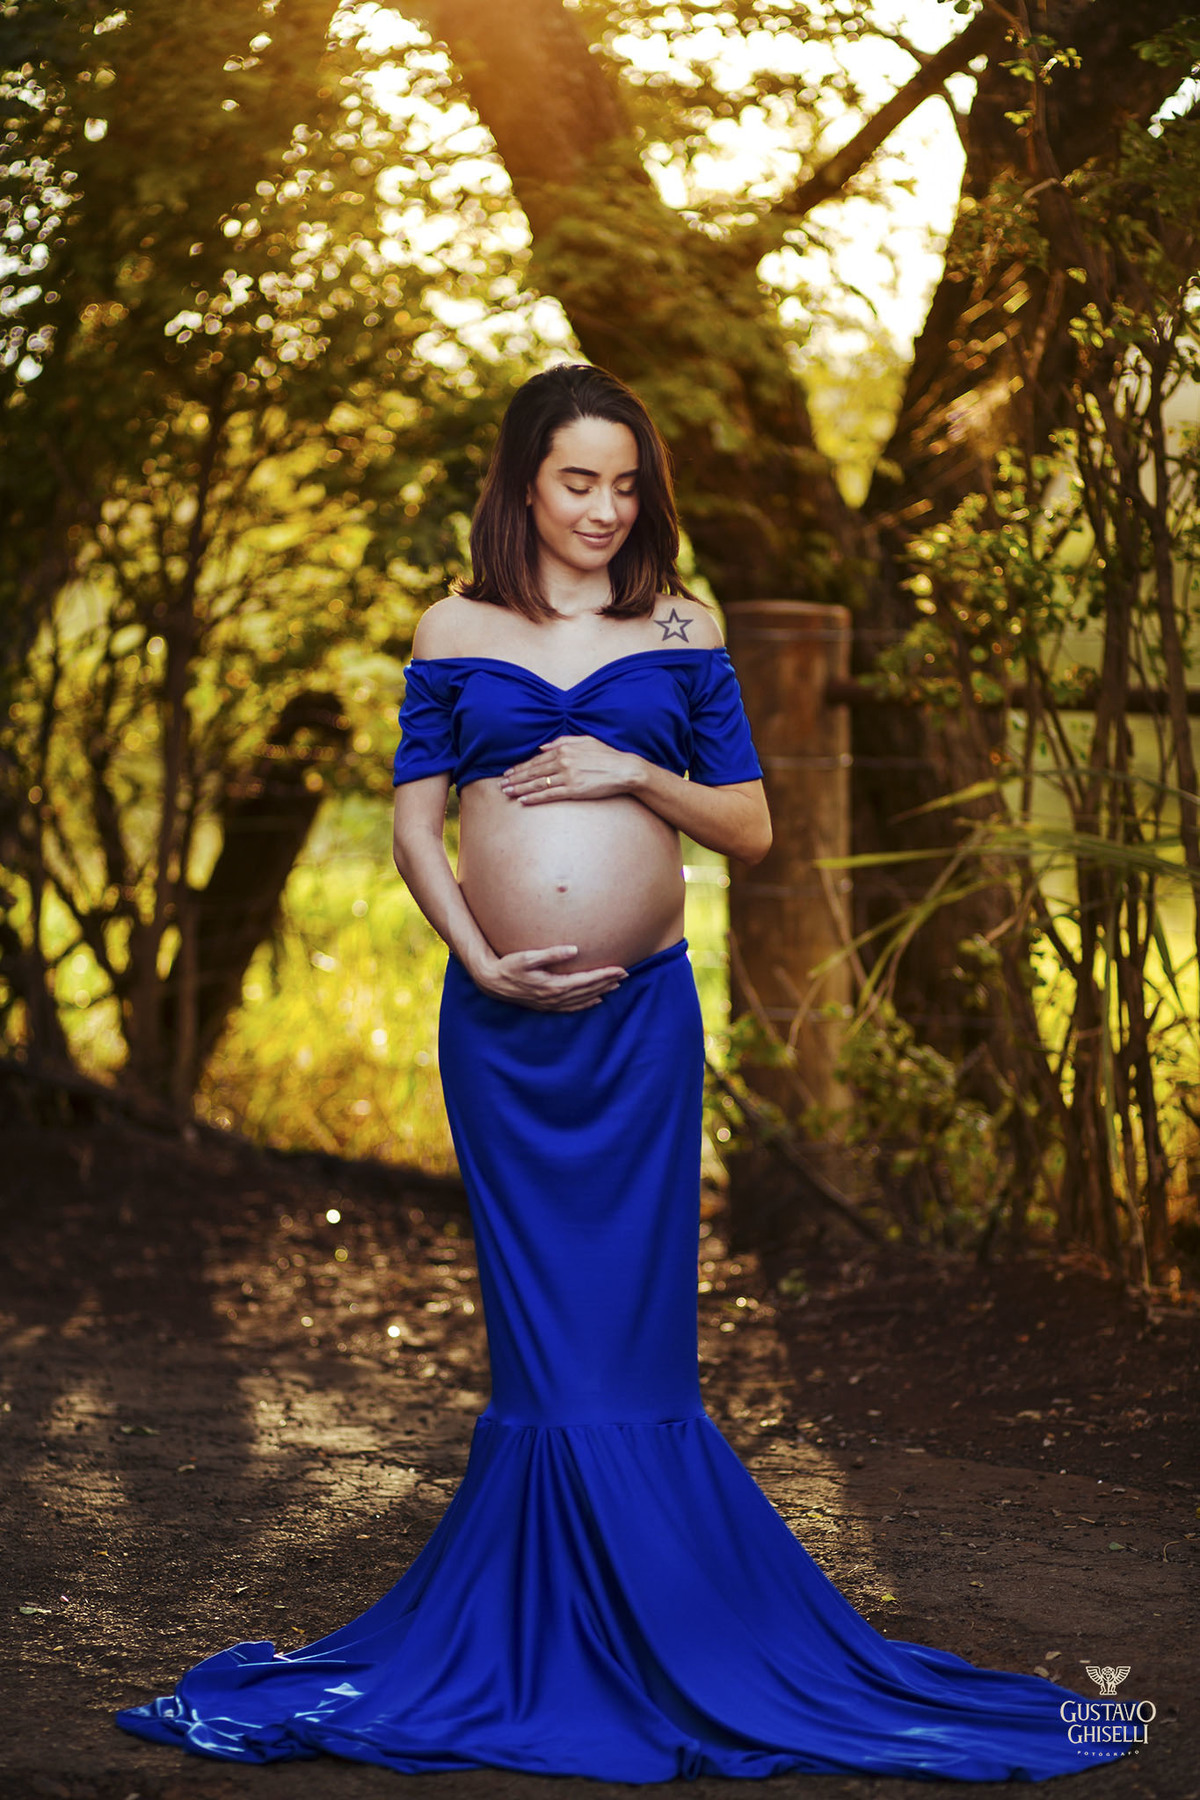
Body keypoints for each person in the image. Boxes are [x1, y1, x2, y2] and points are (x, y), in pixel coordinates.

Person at [116, 364, 1140, 1781]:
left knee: (632, 1351)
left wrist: (629, 773)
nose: (602, 508)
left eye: (622, 482)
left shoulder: (682, 624)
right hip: (503, 1040)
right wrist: (477, 956)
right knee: (544, 1364)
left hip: (640, 1032)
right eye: (573, 480)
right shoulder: (454, 625)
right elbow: (417, 826)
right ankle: (548, 1634)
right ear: (523, 485)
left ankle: (663, 1630)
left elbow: (753, 828)